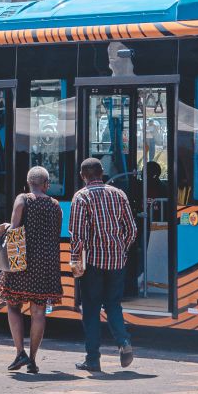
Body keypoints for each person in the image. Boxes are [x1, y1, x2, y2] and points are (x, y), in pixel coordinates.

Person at [68, 157, 137, 372]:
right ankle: (123, 342)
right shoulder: (119, 194)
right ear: (102, 173)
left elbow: (77, 236)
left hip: (92, 263)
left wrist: (76, 260)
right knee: (113, 304)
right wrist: (121, 250)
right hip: (117, 262)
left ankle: (93, 359)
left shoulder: (81, 197)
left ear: (83, 176)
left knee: (91, 310)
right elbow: (132, 230)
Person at [0, 166, 63, 374]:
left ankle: (19, 352)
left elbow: (14, 229)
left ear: (28, 183)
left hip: (21, 262)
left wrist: (4, 227)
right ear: (46, 184)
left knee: (13, 305)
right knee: (38, 312)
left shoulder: (22, 199)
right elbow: (54, 233)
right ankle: (32, 360)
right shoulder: (55, 205)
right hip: (46, 265)